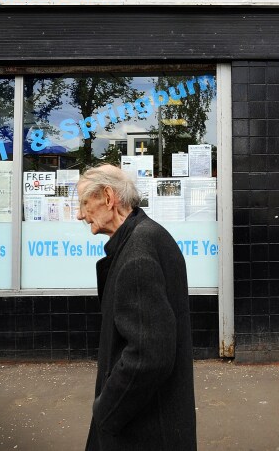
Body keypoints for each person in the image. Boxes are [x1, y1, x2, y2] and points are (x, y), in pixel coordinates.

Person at [77, 164, 197, 450]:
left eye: (84, 203)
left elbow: (148, 355)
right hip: (160, 421)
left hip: (143, 431)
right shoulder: (149, 235)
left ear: (108, 198)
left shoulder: (137, 255)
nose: (80, 214)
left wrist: (106, 411)